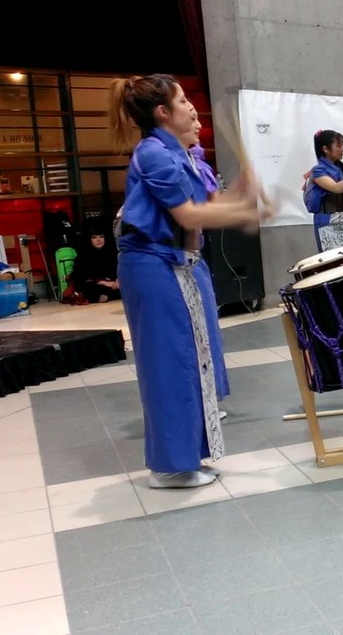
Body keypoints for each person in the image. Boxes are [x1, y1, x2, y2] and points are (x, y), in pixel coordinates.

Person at [108, 74, 264, 489]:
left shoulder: (189, 154)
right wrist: (246, 212)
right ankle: (168, 466)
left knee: (196, 357)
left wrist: (243, 196)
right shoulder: (154, 154)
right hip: (153, 264)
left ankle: (188, 455)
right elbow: (190, 217)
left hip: (183, 262)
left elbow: (212, 205)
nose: (192, 108)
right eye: (183, 101)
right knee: (170, 363)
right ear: (162, 113)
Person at [179, 119, 232, 421]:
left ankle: (207, 398)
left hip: (194, 259)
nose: (198, 123)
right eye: (188, 114)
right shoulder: (159, 159)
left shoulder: (193, 162)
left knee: (206, 331)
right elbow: (197, 215)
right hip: (176, 262)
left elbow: (212, 206)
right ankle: (195, 402)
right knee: (192, 334)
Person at [70, 229, 119, 303]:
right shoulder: (83, 256)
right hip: (94, 284)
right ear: (89, 240)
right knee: (88, 287)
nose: (98, 240)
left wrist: (117, 281)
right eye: (94, 237)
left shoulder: (113, 254)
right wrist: (102, 282)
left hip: (112, 284)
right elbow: (80, 278)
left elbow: (119, 271)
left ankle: (107, 296)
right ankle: (104, 296)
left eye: (101, 237)